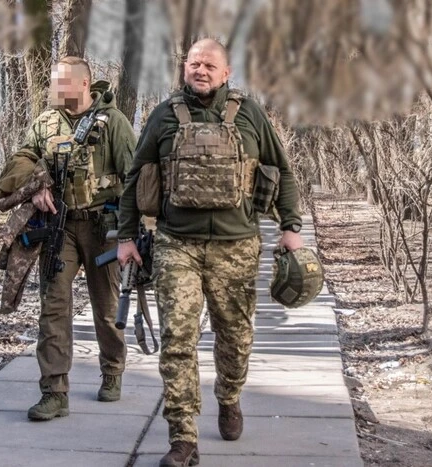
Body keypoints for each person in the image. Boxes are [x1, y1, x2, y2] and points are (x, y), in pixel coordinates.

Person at [116, 38, 304, 466]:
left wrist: (291, 228)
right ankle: (183, 438)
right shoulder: (163, 116)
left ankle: (229, 395)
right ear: (185, 67)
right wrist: (126, 237)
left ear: (226, 71)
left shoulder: (250, 114)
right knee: (178, 340)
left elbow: (284, 173)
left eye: (209, 64)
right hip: (175, 244)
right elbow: (134, 179)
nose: (200, 70)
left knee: (235, 338)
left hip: (236, 248)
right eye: (194, 63)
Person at [0, 56, 137, 420]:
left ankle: (112, 370)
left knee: (106, 307)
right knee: (53, 306)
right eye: (53, 81)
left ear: (84, 84)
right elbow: (23, 159)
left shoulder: (114, 123)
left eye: (61, 82)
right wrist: (34, 187)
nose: (54, 88)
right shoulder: (45, 123)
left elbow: (134, 177)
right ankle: (54, 391)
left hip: (102, 227)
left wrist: (130, 233)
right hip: (59, 225)